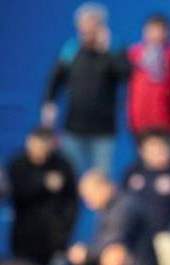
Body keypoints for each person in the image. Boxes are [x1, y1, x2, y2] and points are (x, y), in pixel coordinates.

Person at [42, 3, 129, 175]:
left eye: (91, 27)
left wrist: (105, 49)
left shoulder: (115, 49)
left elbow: (125, 75)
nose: (86, 32)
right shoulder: (71, 48)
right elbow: (54, 82)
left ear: (101, 27)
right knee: (72, 177)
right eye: (83, 27)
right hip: (73, 128)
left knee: (101, 180)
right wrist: (49, 111)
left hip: (104, 130)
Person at [7, 127, 78, 265]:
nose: (40, 152)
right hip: (24, 238)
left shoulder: (62, 165)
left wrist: (65, 230)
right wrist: (42, 183)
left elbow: (72, 202)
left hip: (54, 240)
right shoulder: (18, 164)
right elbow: (16, 194)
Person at [125, 13, 170, 136]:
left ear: (167, 32)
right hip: (138, 123)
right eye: (151, 30)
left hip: (167, 123)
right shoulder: (133, 55)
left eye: (159, 30)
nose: (155, 35)